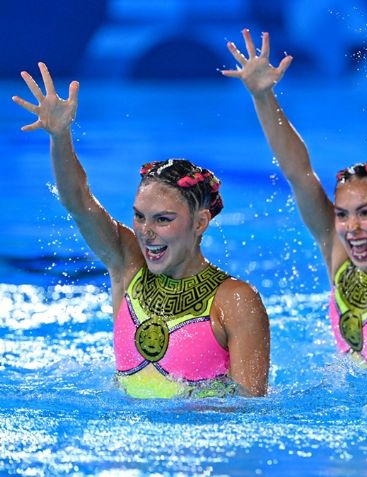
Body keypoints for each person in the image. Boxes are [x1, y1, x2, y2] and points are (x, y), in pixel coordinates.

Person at [12, 63, 270, 398]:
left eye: (163, 219)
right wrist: (60, 136)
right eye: (139, 217)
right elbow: (79, 203)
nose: (146, 232)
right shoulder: (127, 266)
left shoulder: (235, 301)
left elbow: (251, 411)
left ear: (200, 222)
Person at [222, 29, 367, 371]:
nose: (352, 227)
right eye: (343, 214)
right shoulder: (339, 251)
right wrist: (263, 97)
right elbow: (299, 173)